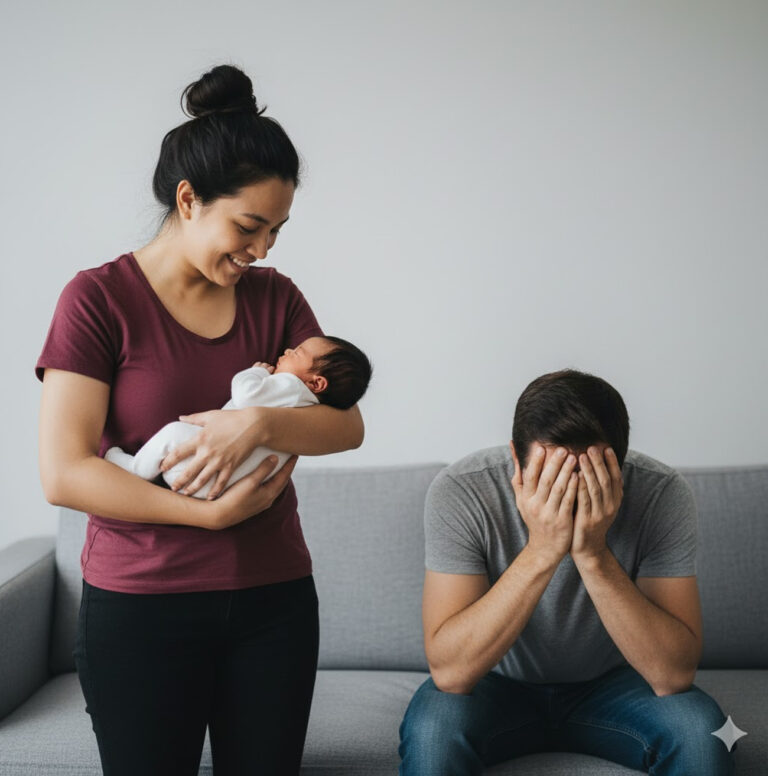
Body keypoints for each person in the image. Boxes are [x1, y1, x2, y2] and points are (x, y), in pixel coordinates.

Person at [36, 64, 365, 776]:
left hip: (273, 604)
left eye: (276, 230)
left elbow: (346, 426)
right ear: (189, 199)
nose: (263, 250)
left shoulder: (276, 299)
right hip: (140, 606)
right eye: (249, 226)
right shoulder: (97, 301)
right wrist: (208, 519)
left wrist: (254, 427)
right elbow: (64, 474)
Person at [399, 369, 733, 776]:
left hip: (617, 684)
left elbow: (673, 676)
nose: (564, 493)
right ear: (515, 458)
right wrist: (542, 549)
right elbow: (451, 673)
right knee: (433, 733)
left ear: (620, 466)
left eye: (587, 477)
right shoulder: (463, 490)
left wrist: (593, 554)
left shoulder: (661, 493)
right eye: (547, 475)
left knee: (705, 732)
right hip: (495, 683)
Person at [105, 335, 372, 498]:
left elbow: (245, 394)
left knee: (175, 433)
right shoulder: (307, 408)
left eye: (297, 353)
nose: (288, 350)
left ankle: (137, 469)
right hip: (222, 486)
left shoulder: (290, 387)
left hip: (196, 469)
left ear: (316, 384)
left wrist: (256, 372)